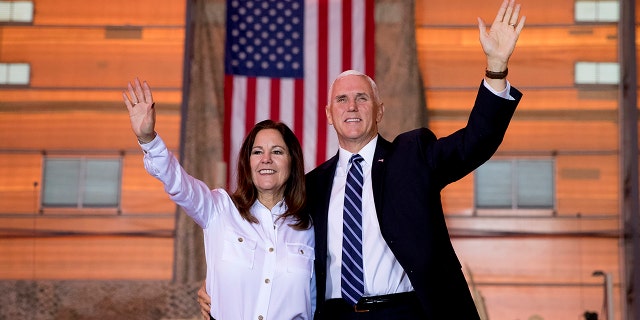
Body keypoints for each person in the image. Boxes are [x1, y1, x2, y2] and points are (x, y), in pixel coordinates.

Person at [199, 0, 525, 318]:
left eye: (361, 98)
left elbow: (474, 143)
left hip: (404, 311)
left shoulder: (413, 155)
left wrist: (496, 68)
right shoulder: (310, 186)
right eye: (341, 100)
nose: (351, 106)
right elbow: (269, 239)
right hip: (336, 314)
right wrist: (219, 283)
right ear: (329, 114)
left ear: (379, 110)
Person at [123, 79, 315, 320]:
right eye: (257, 152)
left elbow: (317, 299)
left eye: (277, 151)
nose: (266, 159)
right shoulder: (219, 208)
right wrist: (149, 140)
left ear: (292, 162)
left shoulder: (309, 226)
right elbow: (179, 184)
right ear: (248, 163)